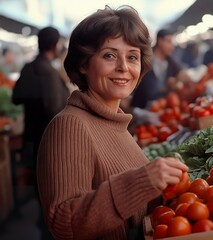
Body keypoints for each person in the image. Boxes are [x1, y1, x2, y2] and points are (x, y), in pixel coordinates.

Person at [36, 6, 188, 240]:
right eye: (109, 55)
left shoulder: (116, 124)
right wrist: (142, 181)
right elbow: (64, 222)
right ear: (84, 64)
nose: (124, 68)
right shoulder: (69, 125)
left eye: (132, 57)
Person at [12, 26, 70, 240]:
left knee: (39, 183)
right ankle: (48, 227)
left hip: (31, 137)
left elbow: (16, 98)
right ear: (55, 45)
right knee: (51, 185)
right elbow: (57, 110)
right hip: (50, 141)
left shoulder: (28, 68)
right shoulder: (50, 73)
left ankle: (42, 221)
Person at [129, 28, 191, 124]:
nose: (172, 46)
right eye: (169, 41)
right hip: (141, 112)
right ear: (160, 41)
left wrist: (178, 81)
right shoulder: (144, 59)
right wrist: (137, 112)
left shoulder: (170, 61)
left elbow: (182, 73)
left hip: (161, 112)